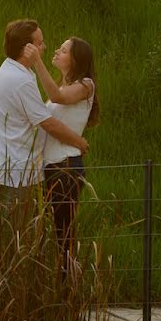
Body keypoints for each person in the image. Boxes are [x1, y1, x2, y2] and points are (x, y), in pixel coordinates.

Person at [0, 19, 89, 232]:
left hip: (10, 168)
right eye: (40, 43)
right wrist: (79, 142)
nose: (44, 47)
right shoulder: (21, 80)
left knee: (14, 237)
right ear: (28, 49)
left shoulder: (13, 70)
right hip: (17, 174)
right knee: (18, 239)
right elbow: (48, 124)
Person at [24, 36, 99, 270]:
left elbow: (58, 97)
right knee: (52, 234)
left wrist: (37, 62)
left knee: (64, 236)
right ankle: (58, 290)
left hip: (65, 167)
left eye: (64, 50)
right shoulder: (64, 86)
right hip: (51, 168)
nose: (56, 51)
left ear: (76, 60)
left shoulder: (86, 85)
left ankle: (68, 294)